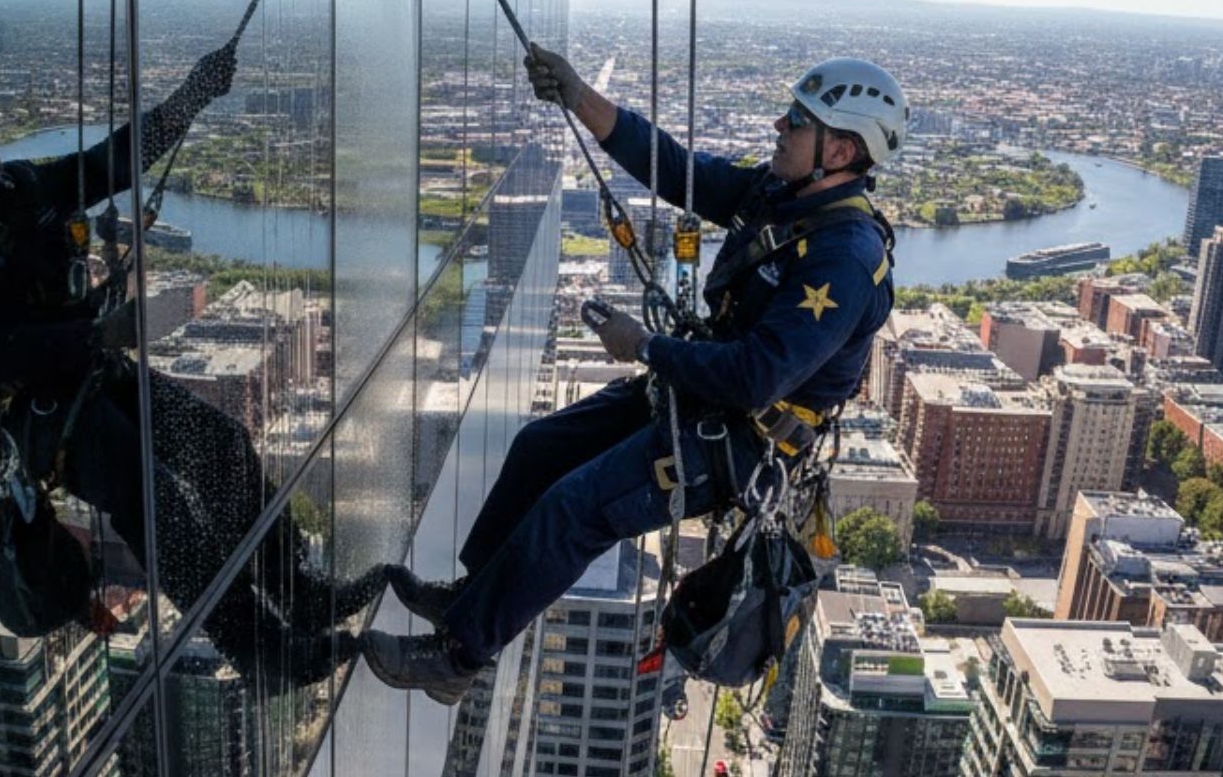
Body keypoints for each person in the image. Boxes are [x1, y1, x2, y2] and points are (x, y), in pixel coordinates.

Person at [360, 46, 906, 703]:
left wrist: (644, 346)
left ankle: (458, 657)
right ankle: (471, 600)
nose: (779, 127)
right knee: (541, 448)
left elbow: (756, 378)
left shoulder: (844, 257)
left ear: (840, 151)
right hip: (700, 394)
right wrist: (581, 98)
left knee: (574, 510)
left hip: (741, 438)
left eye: (797, 119)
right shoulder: (779, 197)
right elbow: (676, 170)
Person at [0, 48, 378, 686]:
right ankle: (260, 650)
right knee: (156, 498)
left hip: (89, 371)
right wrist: (92, 331)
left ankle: (299, 591)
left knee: (222, 445)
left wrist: (190, 99)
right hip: (27, 413)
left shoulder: (23, 188)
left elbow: (109, 162)